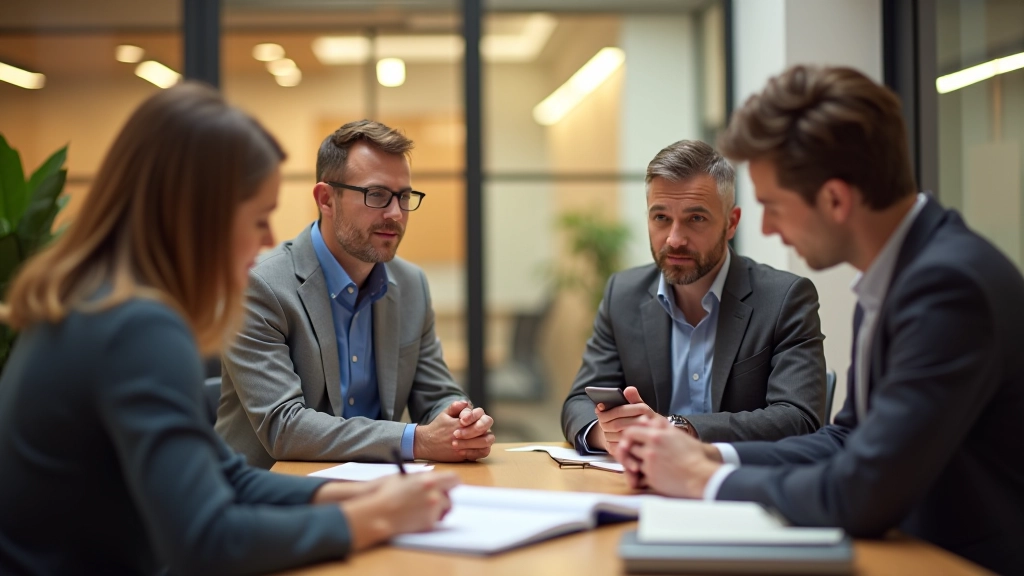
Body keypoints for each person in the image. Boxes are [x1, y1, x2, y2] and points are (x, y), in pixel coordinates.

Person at [0, 83, 460, 575]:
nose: (267, 238)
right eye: (259, 218)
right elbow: (206, 541)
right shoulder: (137, 328)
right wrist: (369, 519)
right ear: (197, 214)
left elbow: (224, 476)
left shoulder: (98, 300)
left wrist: (355, 493)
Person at [616, 65, 1024, 575]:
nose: (764, 226)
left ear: (834, 199)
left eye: (773, 205)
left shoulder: (947, 288)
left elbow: (861, 490)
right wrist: (711, 458)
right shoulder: (906, 272)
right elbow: (847, 438)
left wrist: (703, 481)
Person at [216, 120, 494, 469]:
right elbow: (284, 427)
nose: (395, 214)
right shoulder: (259, 287)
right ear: (326, 199)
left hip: (378, 492)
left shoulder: (411, 285)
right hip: (270, 498)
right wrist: (418, 440)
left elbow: (436, 393)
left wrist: (460, 422)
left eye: (404, 196)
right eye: (376, 195)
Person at [561, 139, 826, 456]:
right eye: (661, 218)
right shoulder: (623, 294)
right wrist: (609, 436)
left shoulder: (784, 299)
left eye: (696, 218)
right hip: (639, 487)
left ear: (731, 223)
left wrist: (678, 429)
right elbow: (579, 402)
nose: (674, 239)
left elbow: (799, 417)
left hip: (737, 488)